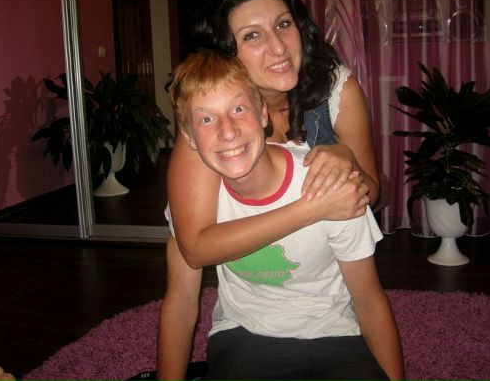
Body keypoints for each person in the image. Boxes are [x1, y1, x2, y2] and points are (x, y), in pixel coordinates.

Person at [158, 51, 404, 381]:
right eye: (206, 119)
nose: (227, 131)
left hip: (334, 333)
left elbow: (369, 302)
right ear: (188, 137)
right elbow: (180, 304)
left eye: (238, 109)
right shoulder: (195, 205)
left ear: (263, 113)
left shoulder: (329, 185)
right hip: (244, 335)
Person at [166, 0, 380, 270]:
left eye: (283, 24)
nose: (279, 47)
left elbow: (372, 194)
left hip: (330, 264)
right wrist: (312, 209)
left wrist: (348, 160)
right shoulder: (212, 119)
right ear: (224, 52)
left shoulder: (337, 91)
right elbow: (194, 248)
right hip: (257, 272)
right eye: (251, 35)